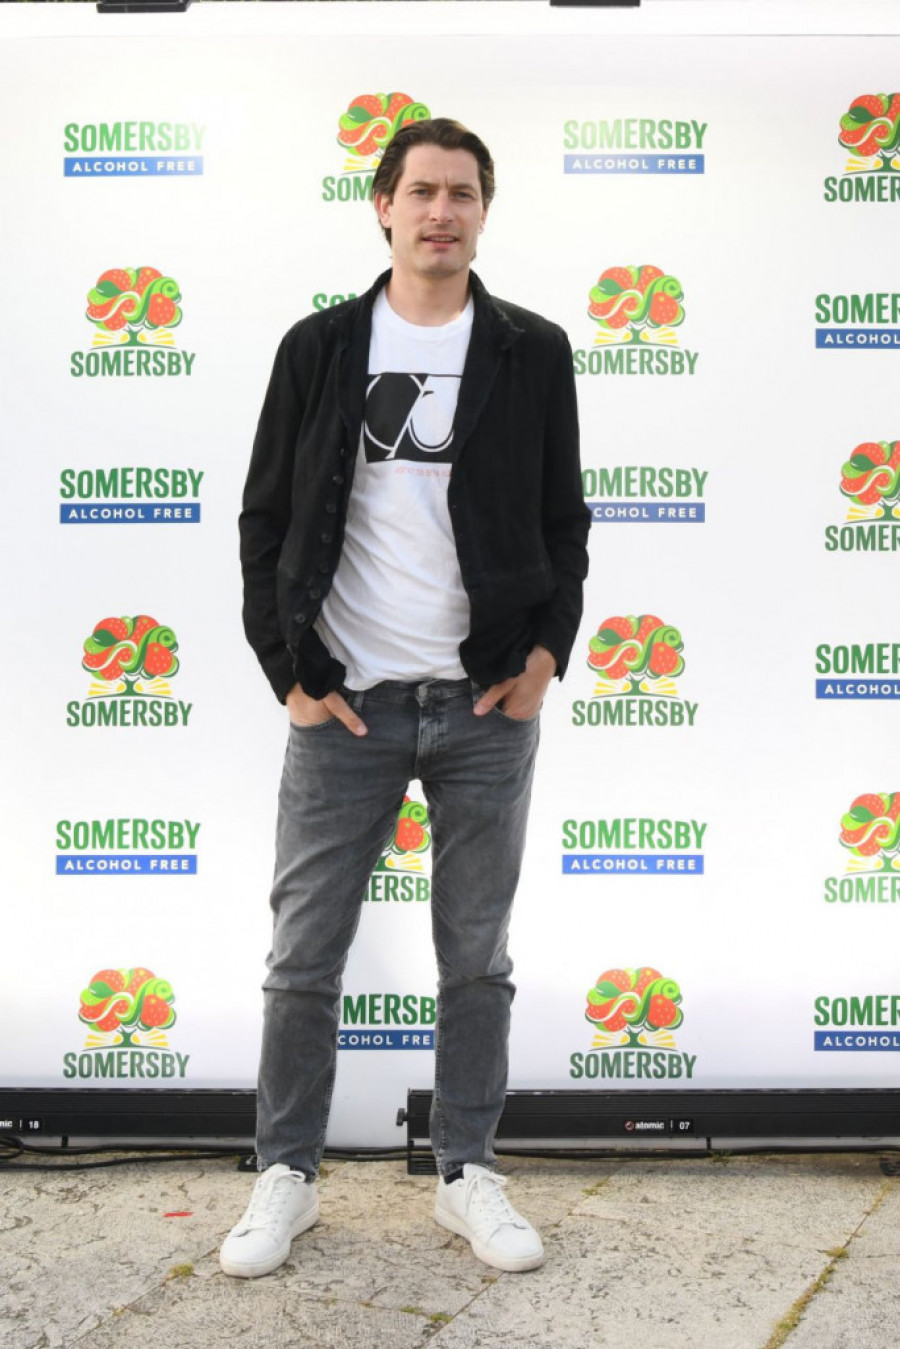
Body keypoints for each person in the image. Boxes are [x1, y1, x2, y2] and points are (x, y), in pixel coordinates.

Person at [223, 117, 589, 1280]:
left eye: (462, 193)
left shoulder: (533, 349)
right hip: (350, 704)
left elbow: (564, 521)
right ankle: (287, 1171)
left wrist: (544, 659)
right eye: (422, 191)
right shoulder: (321, 346)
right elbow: (265, 518)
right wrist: (290, 673)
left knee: (476, 955)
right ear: (382, 206)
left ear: (484, 211)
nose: (442, 211)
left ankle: (467, 1168)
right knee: (303, 955)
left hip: (486, 705)